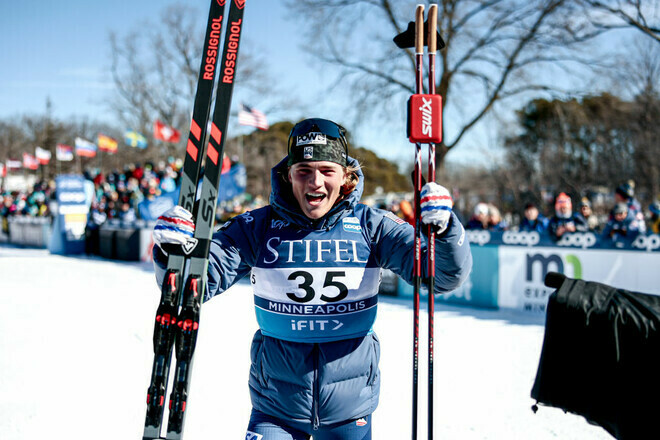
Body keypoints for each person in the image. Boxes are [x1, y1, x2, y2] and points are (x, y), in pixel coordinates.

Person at [151, 118, 472, 440]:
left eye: (327, 171)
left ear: (346, 176)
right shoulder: (256, 226)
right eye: (303, 170)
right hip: (275, 408)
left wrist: (444, 231)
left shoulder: (372, 226)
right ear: (288, 175)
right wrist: (172, 253)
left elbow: (441, 277)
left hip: (350, 411)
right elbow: (193, 287)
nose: (315, 183)